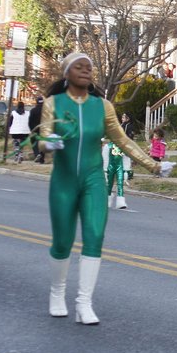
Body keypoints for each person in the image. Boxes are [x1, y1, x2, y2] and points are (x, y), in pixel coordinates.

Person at [39, 52, 162, 325]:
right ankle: (57, 294)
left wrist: (152, 165)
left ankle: (84, 302)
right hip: (64, 179)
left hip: (94, 179)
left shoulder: (103, 106)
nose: (86, 71)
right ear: (66, 73)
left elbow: (121, 139)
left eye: (89, 68)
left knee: (95, 236)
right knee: (63, 241)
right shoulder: (54, 103)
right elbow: (43, 137)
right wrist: (50, 143)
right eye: (79, 67)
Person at [106, 141, 128, 209]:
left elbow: (126, 158)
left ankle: (120, 200)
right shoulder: (108, 146)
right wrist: (104, 169)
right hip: (110, 166)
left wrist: (126, 171)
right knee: (109, 183)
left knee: (120, 183)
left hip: (120, 166)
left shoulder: (123, 146)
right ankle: (107, 198)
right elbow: (105, 158)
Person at [28, 96, 45, 163]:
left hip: (35, 129)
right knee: (43, 143)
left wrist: (31, 129)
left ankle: (37, 153)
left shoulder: (33, 110)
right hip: (44, 129)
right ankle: (42, 158)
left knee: (34, 142)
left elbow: (30, 121)